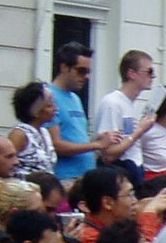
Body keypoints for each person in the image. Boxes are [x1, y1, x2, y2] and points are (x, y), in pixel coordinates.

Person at [49, 41, 120, 183]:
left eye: (88, 72)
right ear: (64, 67)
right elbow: (55, 144)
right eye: (81, 71)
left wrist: (97, 141)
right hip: (65, 178)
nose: (86, 77)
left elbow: (76, 139)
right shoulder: (49, 97)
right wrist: (96, 145)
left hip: (84, 177)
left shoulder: (75, 98)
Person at [92, 49, 157, 187]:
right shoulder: (112, 103)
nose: (153, 76)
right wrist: (140, 130)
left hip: (134, 171)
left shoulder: (129, 104)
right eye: (149, 71)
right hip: (121, 176)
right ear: (132, 73)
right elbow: (108, 153)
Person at [9, 81, 59, 177]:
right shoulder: (20, 134)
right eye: (49, 106)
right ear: (36, 111)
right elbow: (7, 162)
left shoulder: (45, 132)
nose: (55, 108)